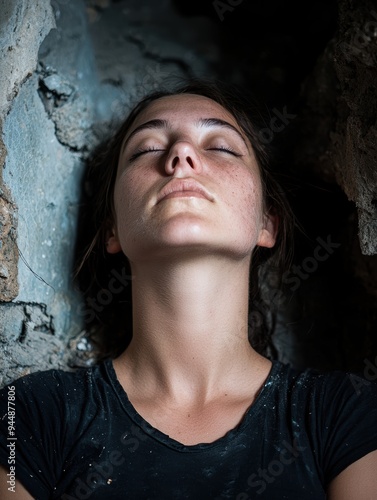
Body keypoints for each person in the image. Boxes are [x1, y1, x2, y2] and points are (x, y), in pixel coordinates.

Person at [0, 79, 376, 500]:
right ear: (112, 228)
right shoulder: (28, 414)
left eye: (220, 147)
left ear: (267, 222)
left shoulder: (346, 413)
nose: (181, 155)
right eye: (147, 149)